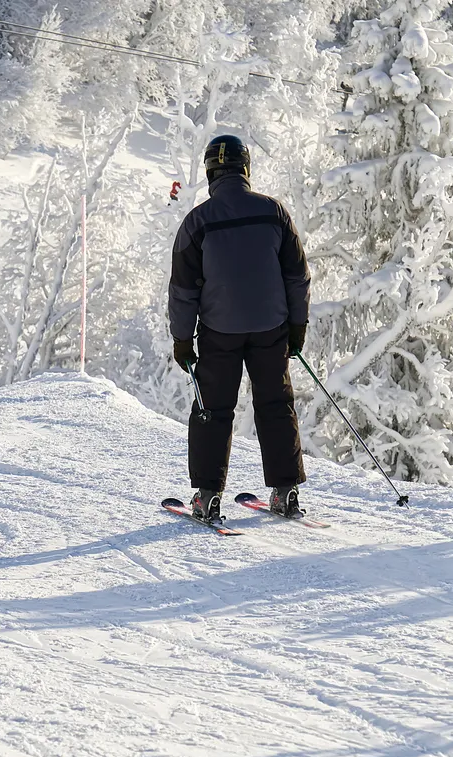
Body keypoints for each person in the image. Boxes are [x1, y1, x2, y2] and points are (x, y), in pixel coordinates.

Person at [168, 135, 311, 523]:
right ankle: (286, 492)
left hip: (220, 330)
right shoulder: (274, 213)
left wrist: (183, 340)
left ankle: (208, 496)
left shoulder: (197, 220)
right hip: (272, 328)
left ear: (212, 171)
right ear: (246, 169)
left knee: (213, 410)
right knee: (275, 405)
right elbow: (297, 277)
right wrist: (297, 327)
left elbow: (183, 290)